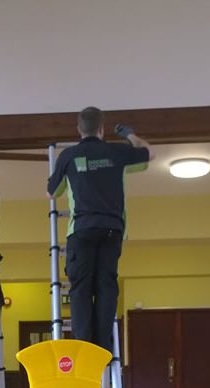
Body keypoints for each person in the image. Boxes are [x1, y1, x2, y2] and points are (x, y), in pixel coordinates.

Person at [47, 107, 153, 352]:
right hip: (111, 229)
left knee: (81, 288)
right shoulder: (116, 152)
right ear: (102, 128)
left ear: (78, 129)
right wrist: (129, 135)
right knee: (106, 285)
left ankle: (85, 348)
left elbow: (51, 193)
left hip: (81, 229)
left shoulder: (69, 155)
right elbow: (149, 153)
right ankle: (103, 347)